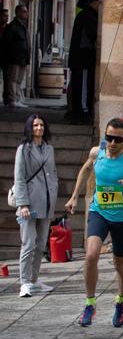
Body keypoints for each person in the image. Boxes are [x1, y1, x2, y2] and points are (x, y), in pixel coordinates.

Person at [65, 118, 123, 327]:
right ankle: (90, 303)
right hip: (99, 211)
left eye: (118, 139)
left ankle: (120, 301)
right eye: (109, 138)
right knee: (91, 255)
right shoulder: (95, 152)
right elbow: (85, 170)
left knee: (120, 264)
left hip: (122, 218)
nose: (113, 143)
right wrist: (74, 197)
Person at [14, 114, 58, 297]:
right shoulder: (23, 149)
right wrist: (22, 203)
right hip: (30, 202)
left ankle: (34, 279)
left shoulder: (49, 149)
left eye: (41, 125)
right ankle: (24, 282)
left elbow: (53, 172)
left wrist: (54, 190)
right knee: (28, 243)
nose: (39, 128)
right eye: (35, 125)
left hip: (47, 202)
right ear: (30, 128)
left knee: (41, 244)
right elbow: (19, 177)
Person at [68, 0, 99, 120]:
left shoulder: (84, 14)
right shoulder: (88, 16)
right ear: (94, 3)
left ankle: (78, 110)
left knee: (79, 84)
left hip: (80, 58)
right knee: (83, 86)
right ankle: (82, 111)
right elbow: (92, 36)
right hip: (83, 58)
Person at [2, 5, 29, 108]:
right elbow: (7, 43)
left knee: (18, 80)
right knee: (12, 79)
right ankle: (12, 99)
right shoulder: (12, 26)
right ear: (18, 13)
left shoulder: (23, 26)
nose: (26, 13)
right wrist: (9, 57)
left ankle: (17, 99)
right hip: (14, 58)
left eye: (26, 11)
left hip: (22, 58)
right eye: (24, 11)